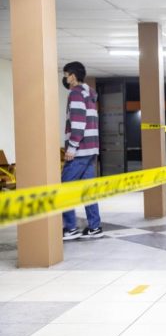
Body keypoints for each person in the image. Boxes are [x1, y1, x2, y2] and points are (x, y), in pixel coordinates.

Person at [61, 61, 104, 240]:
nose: (64, 78)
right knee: (88, 190)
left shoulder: (76, 94)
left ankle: (70, 228)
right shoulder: (89, 95)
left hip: (80, 151)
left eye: (65, 74)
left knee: (64, 188)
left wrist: (72, 147)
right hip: (91, 149)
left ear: (72, 76)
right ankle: (94, 227)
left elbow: (78, 123)